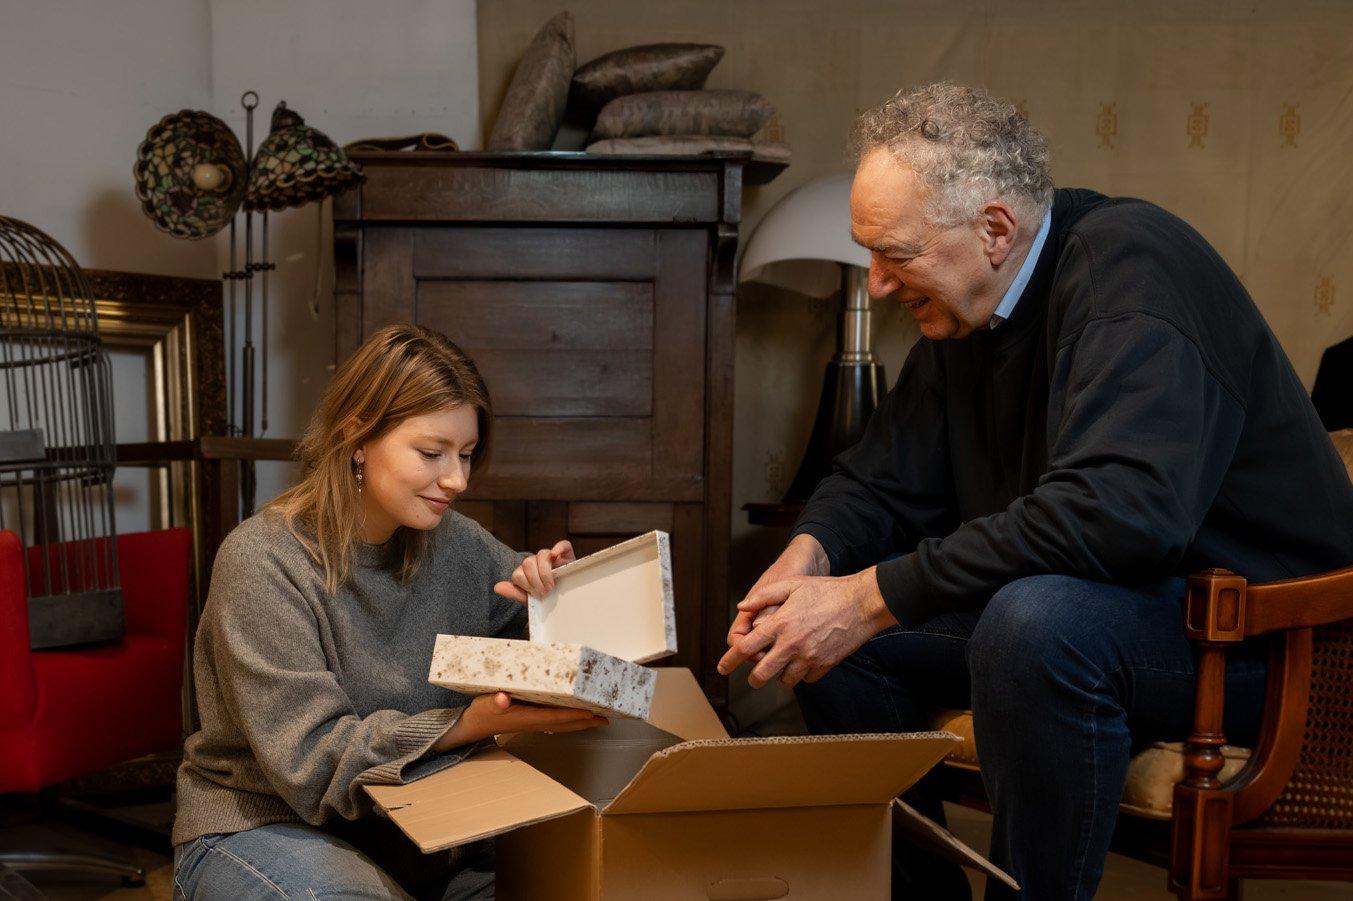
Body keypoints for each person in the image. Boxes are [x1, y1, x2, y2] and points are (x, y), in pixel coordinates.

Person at [718, 82, 1353, 900]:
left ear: (992, 230)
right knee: (825, 641)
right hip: (1136, 616)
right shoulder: (962, 311)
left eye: (895, 254)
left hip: (1273, 647)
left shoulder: (1134, 266)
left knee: (1031, 625)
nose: (874, 283)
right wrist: (809, 565)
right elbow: (878, 479)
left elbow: (1119, 516)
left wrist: (870, 595)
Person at [172, 324, 602, 900]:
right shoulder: (262, 560)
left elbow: (541, 649)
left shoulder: (457, 543)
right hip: (263, 823)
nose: (456, 480)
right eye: (431, 453)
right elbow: (312, 764)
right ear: (357, 437)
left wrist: (558, 596)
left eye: (467, 455)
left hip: (418, 826)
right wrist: (465, 724)